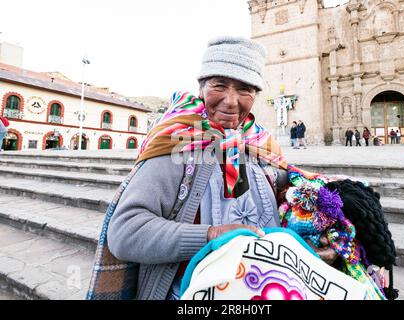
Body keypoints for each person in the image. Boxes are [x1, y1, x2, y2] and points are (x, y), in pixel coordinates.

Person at [87, 36, 338, 300]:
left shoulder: (259, 146)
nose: (231, 101)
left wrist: (314, 240)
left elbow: (287, 200)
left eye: (244, 89)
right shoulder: (175, 146)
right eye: (219, 85)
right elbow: (125, 232)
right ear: (202, 88)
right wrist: (211, 235)